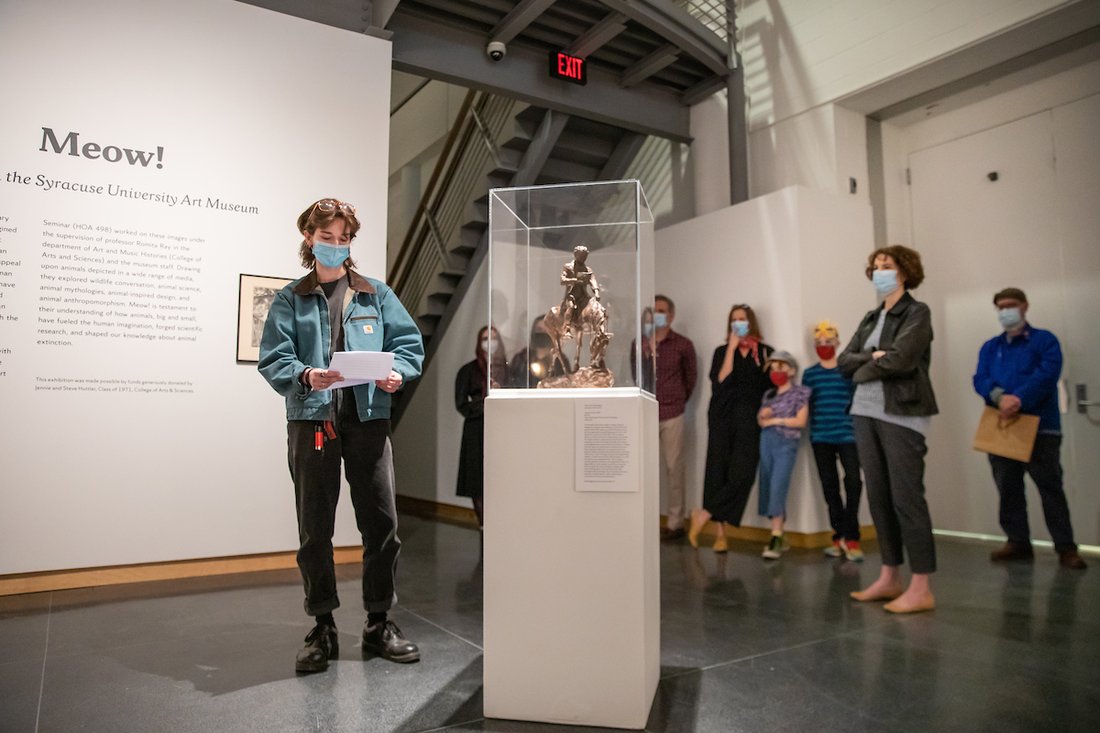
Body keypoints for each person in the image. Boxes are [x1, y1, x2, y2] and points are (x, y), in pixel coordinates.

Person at [258, 197, 425, 673]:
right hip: (312, 420)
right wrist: (308, 375)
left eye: (343, 239)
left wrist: (397, 373)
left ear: (351, 241)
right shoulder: (291, 298)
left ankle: (378, 622)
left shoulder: (377, 294)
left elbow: (408, 346)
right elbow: (273, 358)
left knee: (382, 525)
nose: (335, 246)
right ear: (309, 238)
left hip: (369, 420)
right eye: (326, 238)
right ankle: (322, 625)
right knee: (316, 527)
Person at [839, 244, 938, 614]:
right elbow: (843, 361)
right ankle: (890, 576)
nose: (879, 271)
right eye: (876, 266)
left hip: (902, 414)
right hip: (863, 412)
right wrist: (873, 357)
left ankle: (921, 586)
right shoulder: (870, 317)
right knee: (878, 497)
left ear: (905, 271)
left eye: (887, 265)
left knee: (906, 499)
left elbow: (903, 358)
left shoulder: (917, 312)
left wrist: (866, 365)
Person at [972, 287, 1087, 570]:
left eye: (1011, 305)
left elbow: (1047, 374)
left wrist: (1019, 399)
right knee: (1007, 487)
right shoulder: (991, 347)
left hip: (1041, 428)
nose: (1006, 310)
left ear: (1025, 306)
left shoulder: (1044, 341)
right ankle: (1017, 542)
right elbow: (980, 378)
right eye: (1000, 306)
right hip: (1002, 426)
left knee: (1050, 488)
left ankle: (1066, 548)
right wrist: (1000, 397)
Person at [689, 304, 774, 552]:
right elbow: (721, 380)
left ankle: (704, 514)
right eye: (734, 320)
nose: (738, 323)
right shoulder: (721, 351)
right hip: (722, 417)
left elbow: (770, 387)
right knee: (718, 472)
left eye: (743, 319)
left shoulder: (766, 352)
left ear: (751, 322)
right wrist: (733, 349)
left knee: (743, 474)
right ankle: (720, 534)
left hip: (751, 419)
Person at [632, 296, 698, 540]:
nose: (656, 315)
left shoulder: (683, 345)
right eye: (653, 311)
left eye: (661, 311)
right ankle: (644, 520)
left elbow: (691, 379)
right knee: (645, 470)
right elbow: (635, 374)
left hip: (673, 413)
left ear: (671, 315)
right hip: (646, 414)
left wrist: (679, 400)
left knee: (674, 469)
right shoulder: (638, 344)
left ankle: (675, 523)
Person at [802, 321, 864, 562]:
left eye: (828, 342)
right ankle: (838, 537)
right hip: (820, 438)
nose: (824, 346)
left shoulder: (847, 371)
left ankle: (853, 536)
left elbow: (857, 401)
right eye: (819, 343)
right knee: (830, 487)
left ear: (838, 343)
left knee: (854, 483)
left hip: (848, 435)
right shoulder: (810, 375)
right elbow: (805, 406)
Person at [756, 351, 810, 559]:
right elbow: (760, 420)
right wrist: (764, 416)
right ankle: (779, 533)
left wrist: (775, 420)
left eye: (781, 367)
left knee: (779, 485)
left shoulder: (800, 393)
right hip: (766, 442)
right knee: (769, 485)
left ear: (792, 370)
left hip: (786, 443)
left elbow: (800, 421)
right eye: (773, 367)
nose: (777, 371)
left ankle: (776, 536)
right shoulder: (769, 395)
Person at [455, 326, 507, 529]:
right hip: (476, 429)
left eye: (493, 338)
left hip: (503, 429)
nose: (489, 342)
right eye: (485, 338)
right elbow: (461, 404)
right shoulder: (468, 370)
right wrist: (484, 402)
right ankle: (483, 524)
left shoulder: (507, 367)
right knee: (476, 477)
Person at [509, 316, 553, 388]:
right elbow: (512, 383)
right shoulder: (522, 358)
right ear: (534, 332)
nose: (543, 333)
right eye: (539, 329)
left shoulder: (559, 360)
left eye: (546, 330)